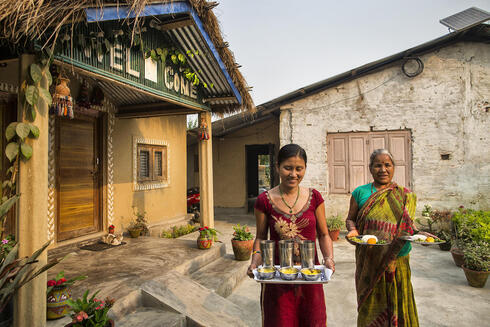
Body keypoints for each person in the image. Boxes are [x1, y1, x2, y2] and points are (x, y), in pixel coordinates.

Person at [247, 144, 335, 327]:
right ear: (277, 166)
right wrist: (255, 261)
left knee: (314, 320)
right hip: (278, 278)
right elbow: (261, 237)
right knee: (280, 321)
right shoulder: (265, 200)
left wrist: (328, 259)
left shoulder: (315, 197)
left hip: (310, 276)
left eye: (299, 169)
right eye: (288, 168)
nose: (293, 174)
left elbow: (324, 234)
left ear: (305, 168)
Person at [346, 149, 432, 327]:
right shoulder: (359, 193)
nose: (383, 169)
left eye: (387, 165)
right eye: (378, 165)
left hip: (397, 259)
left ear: (394, 168)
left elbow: (408, 226)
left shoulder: (404, 194)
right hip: (369, 260)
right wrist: (353, 230)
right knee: (370, 305)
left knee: (398, 302)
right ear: (370, 168)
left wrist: (419, 235)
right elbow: (350, 219)